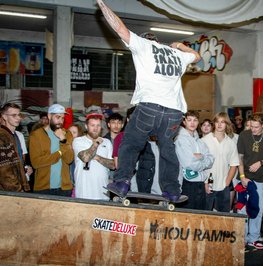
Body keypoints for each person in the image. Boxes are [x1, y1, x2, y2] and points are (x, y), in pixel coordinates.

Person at [96, 0, 201, 202]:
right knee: (167, 148)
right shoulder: (177, 54)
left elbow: (120, 28)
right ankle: (172, 190)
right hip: (174, 114)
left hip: (149, 108)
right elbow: (196, 57)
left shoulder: (143, 46)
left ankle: (122, 181)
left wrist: (102, 5)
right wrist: (178, 44)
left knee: (131, 142)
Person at [237, 112, 263, 250]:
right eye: (251, 126)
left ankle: (253, 237)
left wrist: (261, 162)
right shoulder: (244, 135)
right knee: (242, 208)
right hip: (244, 177)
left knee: (257, 209)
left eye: (256, 127)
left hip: (260, 178)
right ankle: (241, 237)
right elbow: (240, 158)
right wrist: (242, 176)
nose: (253, 129)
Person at [29, 104, 74, 196]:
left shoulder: (67, 134)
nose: (60, 121)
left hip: (64, 188)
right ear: (49, 116)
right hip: (43, 188)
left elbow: (69, 159)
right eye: (58, 117)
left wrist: (63, 139)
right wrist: (59, 153)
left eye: (62, 118)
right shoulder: (36, 135)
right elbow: (36, 163)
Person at [175, 110, 214, 210]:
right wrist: (203, 160)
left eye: (195, 120)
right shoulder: (181, 139)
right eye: (189, 120)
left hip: (200, 183)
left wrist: (200, 157)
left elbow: (211, 159)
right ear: (184, 122)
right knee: (187, 217)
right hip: (187, 183)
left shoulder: (200, 141)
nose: (192, 123)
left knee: (199, 216)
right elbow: (189, 164)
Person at [202, 112, 239, 212]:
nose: (219, 124)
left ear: (227, 124)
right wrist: (205, 182)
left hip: (224, 185)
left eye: (222, 122)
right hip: (207, 184)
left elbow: (234, 164)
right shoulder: (204, 140)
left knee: (223, 217)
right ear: (214, 123)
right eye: (217, 122)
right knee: (205, 215)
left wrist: (227, 182)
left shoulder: (231, 143)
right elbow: (200, 164)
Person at [73, 113, 114, 200]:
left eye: (98, 125)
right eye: (92, 125)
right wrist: (96, 143)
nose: (95, 129)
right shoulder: (78, 141)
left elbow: (113, 165)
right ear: (86, 126)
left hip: (103, 193)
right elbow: (86, 158)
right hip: (84, 193)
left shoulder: (107, 142)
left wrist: (97, 157)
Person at [0, 103, 30, 192]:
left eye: (19, 115)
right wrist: (17, 189)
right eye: (14, 115)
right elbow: (4, 169)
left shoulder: (14, 135)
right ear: (4, 117)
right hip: (9, 190)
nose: (18, 118)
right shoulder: (2, 136)